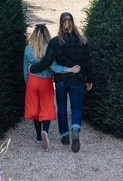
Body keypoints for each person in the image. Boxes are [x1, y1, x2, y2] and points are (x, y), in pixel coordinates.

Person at [30, 12, 94, 153]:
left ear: (60, 23)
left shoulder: (54, 42)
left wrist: (33, 68)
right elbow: (88, 62)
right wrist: (89, 79)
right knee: (76, 107)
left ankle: (64, 135)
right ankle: (75, 128)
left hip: (60, 80)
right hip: (77, 80)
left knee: (62, 108)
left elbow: (47, 62)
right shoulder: (82, 41)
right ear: (73, 22)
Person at [24, 23, 80, 150]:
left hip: (32, 81)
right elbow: (54, 67)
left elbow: (24, 69)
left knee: (35, 108)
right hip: (45, 81)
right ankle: (45, 132)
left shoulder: (28, 49)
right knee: (46, 107)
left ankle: (38, 137)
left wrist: (27, 82)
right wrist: (69, 69)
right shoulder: (49, 48)